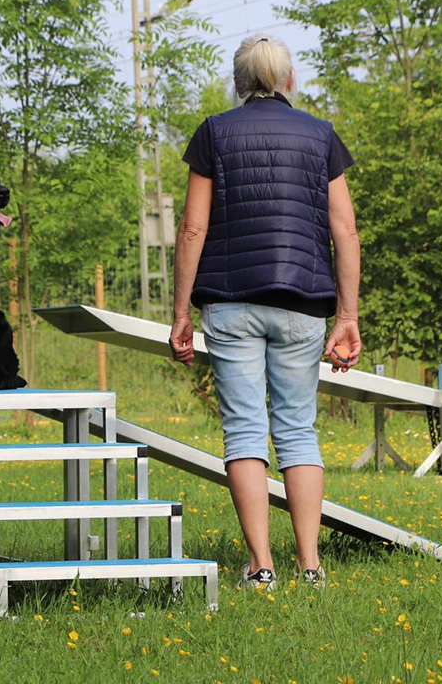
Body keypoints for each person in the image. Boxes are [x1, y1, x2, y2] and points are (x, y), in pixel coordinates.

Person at [169, 33, 362, 590]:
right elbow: (344, 229)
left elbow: (192, 229)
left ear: (238, 82)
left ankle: (261, 567)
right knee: (298, 431)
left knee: (246, 431)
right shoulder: (322, 136)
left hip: (230, 302)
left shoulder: (214, 132)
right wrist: (347, 315)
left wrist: (181, 312)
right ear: (289, 80)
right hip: (303, 301)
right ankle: (310, 565)